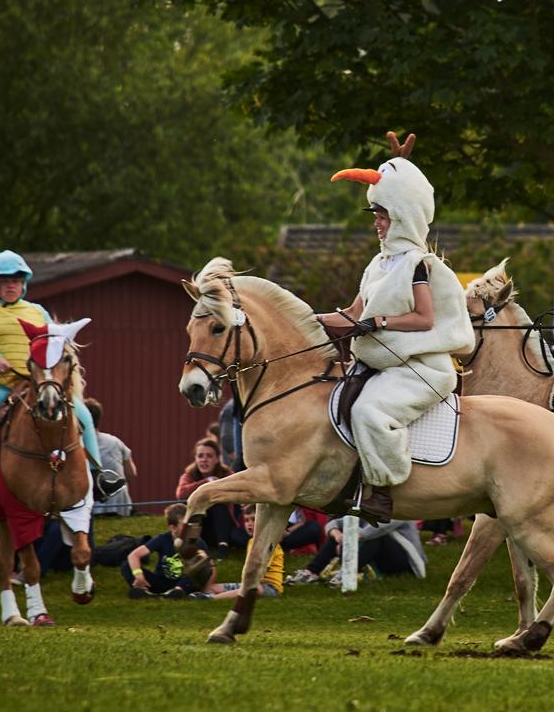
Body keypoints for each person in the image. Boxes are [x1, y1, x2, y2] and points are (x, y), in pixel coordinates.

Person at [316, 147, 474, 523]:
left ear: (402, 215)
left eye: (383, 215)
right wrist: (305, 320)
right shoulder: (378, 263)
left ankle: (383, 493)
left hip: (423, 369)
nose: (377, 222)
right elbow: (353, 314)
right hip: (382, 366)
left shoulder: (419, 265)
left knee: (369, 412)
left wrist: (382, 322)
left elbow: (423, 319)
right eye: (376, 215)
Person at [0, 250, 122, 506]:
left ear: (24, 283)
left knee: (83, 415)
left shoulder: (37, 311)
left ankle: (100, 476)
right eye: (6, 281)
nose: (11, 285)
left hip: (36, 381)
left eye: (17, 281)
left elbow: (53, 343)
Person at [284, 517, 427, 587]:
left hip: (405, 561)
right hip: (382, 558)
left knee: (377, 537)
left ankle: (347, 573)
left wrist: (350, 538)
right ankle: (311, 572)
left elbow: (378, 528)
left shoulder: (401, 508)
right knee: (341, 533)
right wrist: (337, 535)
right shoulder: (369, 507)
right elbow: (333, 523)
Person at [122, 503, 212, 598]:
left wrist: (207, 588)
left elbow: (210, 567)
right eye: (184, 525)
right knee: (126, 565)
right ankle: (144, 590)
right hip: (162, 581)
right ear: (173, 528)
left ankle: (177, 591)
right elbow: (134, 555)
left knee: (199, 570)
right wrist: (138, 575)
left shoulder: (196, 541)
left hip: (184, 582)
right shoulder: (162, 539)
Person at [175, 437, 244, 557]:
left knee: (217, 503)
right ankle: (193, 546)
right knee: (193, 505)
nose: (204, 460)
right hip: (200, 527)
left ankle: (223, 548)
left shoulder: (227, 474)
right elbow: (181, 493)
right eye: (200, 456)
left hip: (223, 525)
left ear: (217, 459)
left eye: (209, 456)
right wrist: (206, 482)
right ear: (195, 459)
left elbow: (241, 490)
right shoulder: (189, 475)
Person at [198, 505, 284, 599]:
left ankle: (213, 598)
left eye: (254, 519)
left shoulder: (268, 542)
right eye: (246, 520)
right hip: (251, 583)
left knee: (252, 588)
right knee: (212, 587)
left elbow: (260, 570)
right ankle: (207, 593)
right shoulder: (251, 541)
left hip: (269, 588)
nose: (249, 524)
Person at [85, 398, 137, 517]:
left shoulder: (76, 446)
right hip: (119, 503)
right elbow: (131, 474)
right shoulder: (115, 442)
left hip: (90, 506)